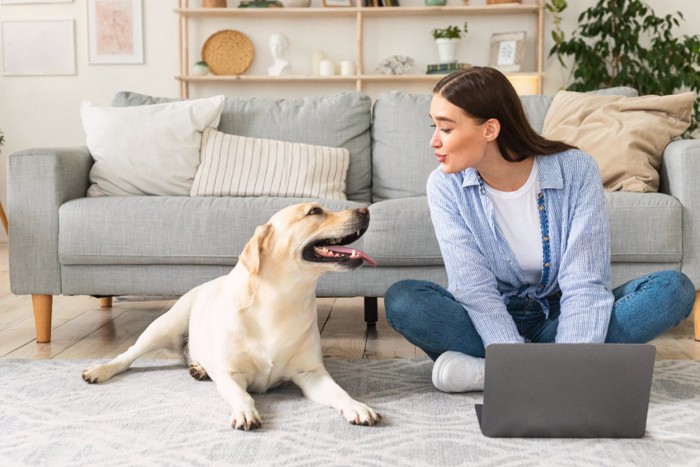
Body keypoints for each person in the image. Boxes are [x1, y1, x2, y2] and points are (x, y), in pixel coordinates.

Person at [384, 66, 696, 393]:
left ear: (490, 129)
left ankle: (495, 373)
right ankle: (551, 371)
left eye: (445, 129)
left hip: (560, 317)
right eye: (433, 126)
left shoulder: (576, 170)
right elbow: (473, 288)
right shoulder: (444, 185)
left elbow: (585, 281)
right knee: (404, 300)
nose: (434, 140)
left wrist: (570, 356)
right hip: (486, 319)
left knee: (673, 290)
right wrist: (515, 354)